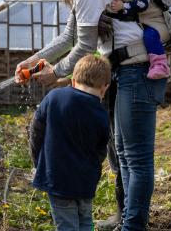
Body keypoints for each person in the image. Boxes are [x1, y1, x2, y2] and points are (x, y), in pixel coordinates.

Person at [14, 0, 167, 231]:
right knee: (122, 152)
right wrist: (33, 61)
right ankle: (126, 218)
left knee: (134, 156)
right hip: (123, 70)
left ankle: (132, 224)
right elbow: (68, 37)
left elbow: (83, 47)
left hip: (136, 69)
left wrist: (56, 72)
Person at [29, 54, 111, 231]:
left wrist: (38, 163)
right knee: (85, 220)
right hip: (86, 182)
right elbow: (101, 150)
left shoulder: (54, 98)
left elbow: (36, 131)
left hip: (57, 178)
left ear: (73, 81)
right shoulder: (102, 114)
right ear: (104, 88)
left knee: (67, 224)